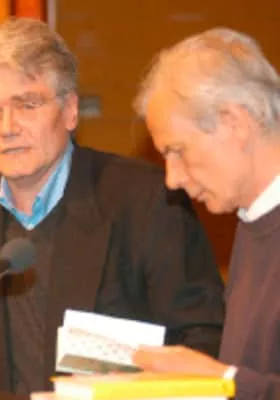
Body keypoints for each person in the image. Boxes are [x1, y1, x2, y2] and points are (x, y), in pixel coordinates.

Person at [0, 17, 225, 395]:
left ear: (70, 110)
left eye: (27, 104)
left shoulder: (146, 200)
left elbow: (203, 337)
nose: (7, 127)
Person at [131, 27, 280, 400]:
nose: (172, 179)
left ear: (234, 124)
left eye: (177, 150)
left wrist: (221, 378)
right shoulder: (253, 221)